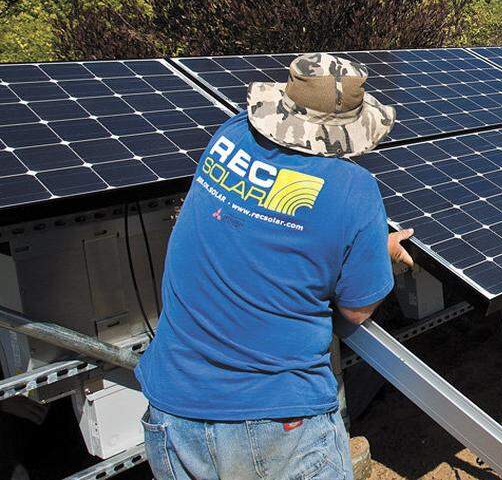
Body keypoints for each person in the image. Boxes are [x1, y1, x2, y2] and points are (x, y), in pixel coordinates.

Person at [136, 53, 412, 480]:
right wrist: (385, 252)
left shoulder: (228, 136)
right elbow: (356, 310)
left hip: (172, 406)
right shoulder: (353, 189)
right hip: (278, 421)